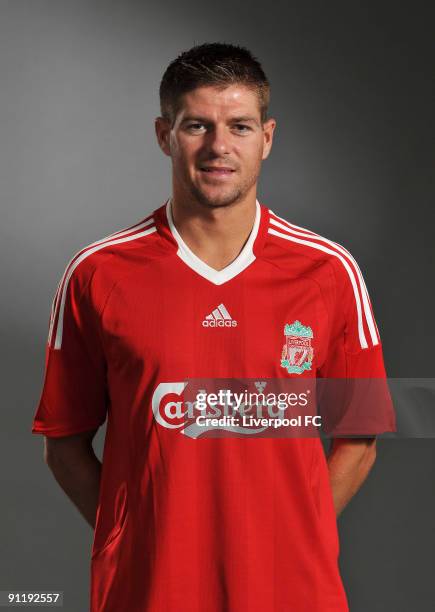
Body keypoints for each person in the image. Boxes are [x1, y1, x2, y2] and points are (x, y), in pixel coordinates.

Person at [31, 42, 395, 611]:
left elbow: (360, 437)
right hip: (147, 590)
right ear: (163, 135)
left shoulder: (328, 271)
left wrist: (295, 532)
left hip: (290, 592)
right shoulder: (97, 274)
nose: (219, 146)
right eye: (197, 125)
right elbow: (64, 441)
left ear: (267, 138)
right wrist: (130, 532)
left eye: (240, 127)